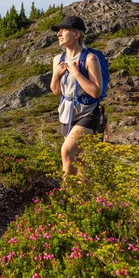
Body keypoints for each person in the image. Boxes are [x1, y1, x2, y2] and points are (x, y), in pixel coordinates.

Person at [49, 15, 103, 177]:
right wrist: (56, 75)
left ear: (76, 35)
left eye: (63, 30)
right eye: (59, 31)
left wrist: (76, 73)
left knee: (66, 151)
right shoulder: (58, 59)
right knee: (79, 159)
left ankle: (68, 195)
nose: (59, 34)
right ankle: (85, 196)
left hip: (88, 112)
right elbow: (56, 91)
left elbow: (95, 91)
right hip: (67, 113)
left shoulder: (90, 58)